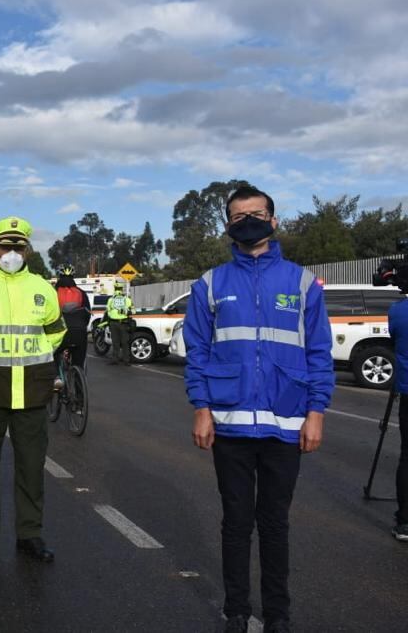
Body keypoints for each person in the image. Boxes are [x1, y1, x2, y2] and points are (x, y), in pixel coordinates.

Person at [184, 186, 334, 633]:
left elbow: (319, 353)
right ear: (228, 225)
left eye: (256, 212)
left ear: (273, 220)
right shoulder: (210, 284)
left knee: (274, 524)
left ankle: (278, 616)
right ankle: (236, 611)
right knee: (235, 523)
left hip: (286, 425)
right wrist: (201, 407)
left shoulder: (302, 282)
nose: (247, 219)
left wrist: (317, 412)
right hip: (228, 424)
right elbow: (197, 351)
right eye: (238, 215)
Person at [0, 217, 65, 565]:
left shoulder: (42, 288)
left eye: (17, 247)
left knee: (30, 467)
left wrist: (32, 362)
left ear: (26, 250)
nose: (11, 252)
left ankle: (29, 534)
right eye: (5, 247)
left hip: (32, 392)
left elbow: (55, 333)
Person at [389, 273, 408, 540]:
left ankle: (405, 520)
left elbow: (394, 335)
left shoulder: (398, 311)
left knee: (407, 455)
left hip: (407, 389)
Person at [54, 267, 91, 373]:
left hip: (60, 332)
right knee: (79, 364)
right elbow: (87, 313)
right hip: (79, 331)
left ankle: (57, 377)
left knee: (53, 354)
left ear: (59, 277)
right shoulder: (81, 293)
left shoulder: (53, 291)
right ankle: (79, 381)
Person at [105, 280, 133, 365]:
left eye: (117, 288)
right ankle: (125, 360)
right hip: (122, 323)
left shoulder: (111, 299)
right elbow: (131, 310)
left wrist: (113, 315)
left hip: (115, 323)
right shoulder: (127, 299)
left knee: (116, 342)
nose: (118, 290)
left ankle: (117, 359)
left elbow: (108, 310)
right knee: (123, 342)